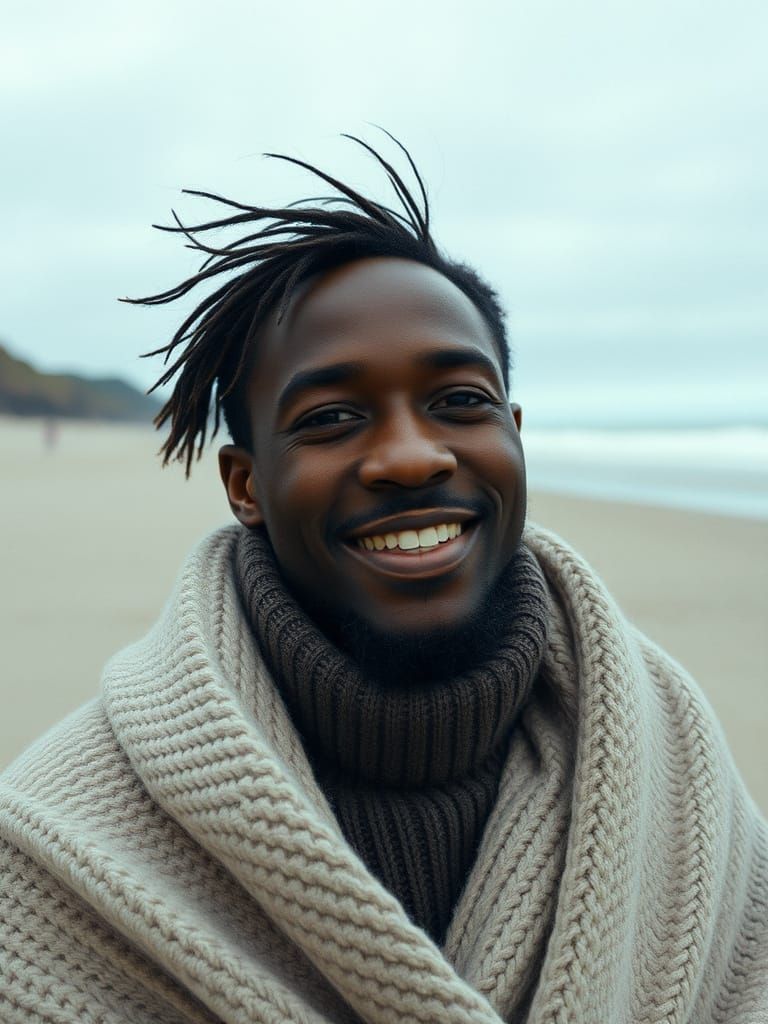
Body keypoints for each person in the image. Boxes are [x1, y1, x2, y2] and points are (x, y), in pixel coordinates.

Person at [1, 135, 766, 1024]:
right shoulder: (59, 852)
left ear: (515, 432)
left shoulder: (682, 784)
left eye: (460, 402)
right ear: (245, 485)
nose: (411, 456)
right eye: (331, 418)